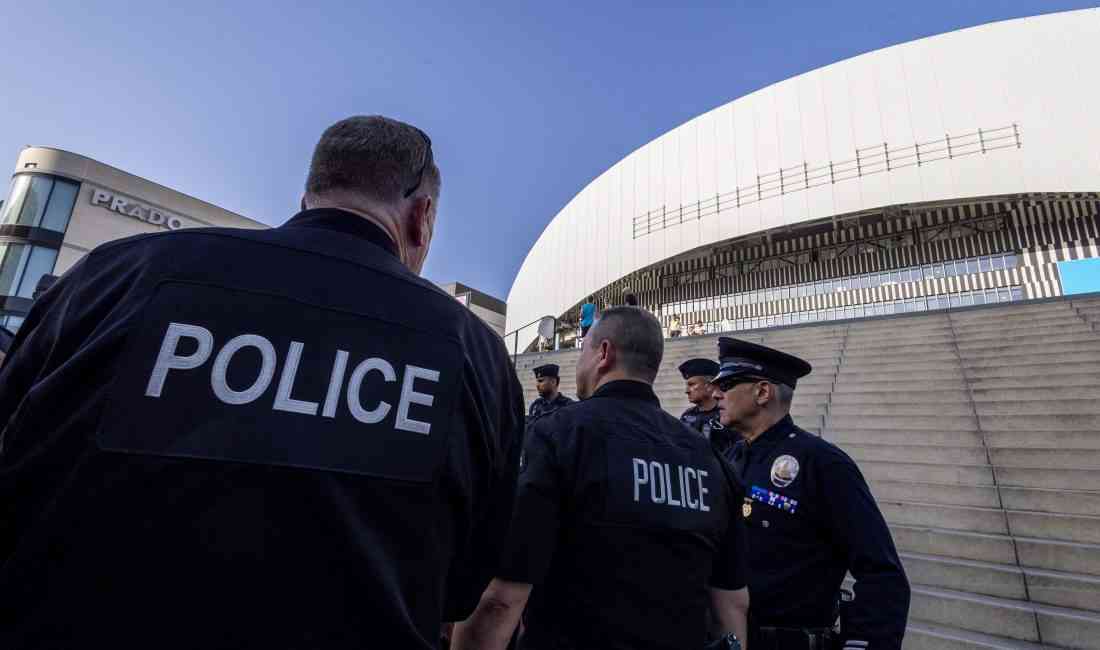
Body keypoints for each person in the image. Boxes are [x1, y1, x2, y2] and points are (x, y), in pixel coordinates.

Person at [0, 115, 524, 649]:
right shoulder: (474, 354)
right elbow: (464, 585)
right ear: (422, 216)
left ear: (307, 199)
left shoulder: (112, 276)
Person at [453, 307, 749, 650]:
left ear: (603, 354)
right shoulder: (711, 459)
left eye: (582, 353)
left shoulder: (560, 436)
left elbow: (501, 600)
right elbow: (731, 605)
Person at [712, 337, 910, 650]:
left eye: (726, 384)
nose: (715, 393)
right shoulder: (732, 458)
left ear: (762, 392)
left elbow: (881, 573)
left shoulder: (821, 463)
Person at [678, 358, 736, 458]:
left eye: (692, 384)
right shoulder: (687, 415)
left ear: (709, 386)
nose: (686, 391)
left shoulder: (727, 414)